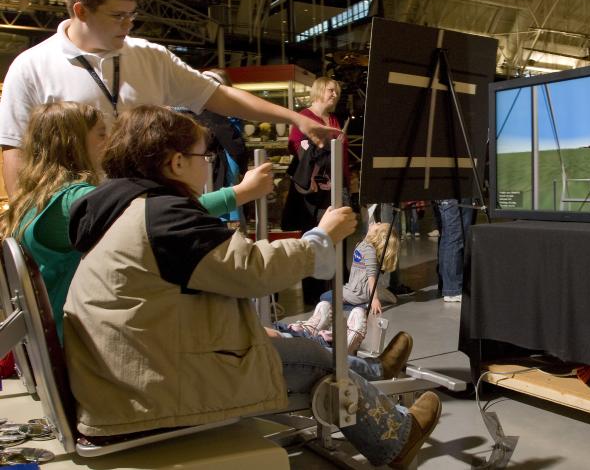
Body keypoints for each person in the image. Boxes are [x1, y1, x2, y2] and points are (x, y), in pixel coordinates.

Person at [62, 105, 440, 468]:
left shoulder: (117, 210)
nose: (206, 163)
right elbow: (254, 270)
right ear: (176, 162)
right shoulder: (163, 217)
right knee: (315, 358)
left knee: (281, 339)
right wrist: (320, 238)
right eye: (202, 156)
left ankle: (374, 377)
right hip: (154, 389)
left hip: (129, 379)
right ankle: (395, 436)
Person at [0, 0, 339, 194]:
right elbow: (14, 147)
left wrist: (296, 118)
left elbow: (218, 96)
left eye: (132, 15)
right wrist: (26, 227)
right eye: (118, 16)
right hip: (75, 222)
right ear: (80, 10)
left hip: (150, 211)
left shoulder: (149, 56)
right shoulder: (31, 67)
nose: (128, 25)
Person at [0, 101, 273, 339]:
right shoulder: (74, 201)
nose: (109, 142)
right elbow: (154, 216)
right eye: (101, 134)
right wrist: (241, 192)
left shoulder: (37, 197)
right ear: (74, 143)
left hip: (62, 332)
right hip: (76, 339)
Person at [281, 76, 350, 306]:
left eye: (337, 91)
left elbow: (342, 155)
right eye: (331, 90)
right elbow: (296, 147)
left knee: (336, 237)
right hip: (313, 192)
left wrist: (347, 182)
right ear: (319, 90)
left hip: (334, 188)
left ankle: (335, 290)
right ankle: (313, 295)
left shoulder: (333, 119)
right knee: (313, 237)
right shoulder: (305, 117)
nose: (335, 95)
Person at [282, 221, 400, 352]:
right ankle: (365, 301)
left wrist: (375, 298)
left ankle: (331, 324)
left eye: (379, 224)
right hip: (353, 288)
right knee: (329, 297)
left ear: (377, 235)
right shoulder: (365, 245)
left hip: (355, 293)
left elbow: (372, 275)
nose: (376, 222)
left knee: (325, 298)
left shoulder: (369, 250)